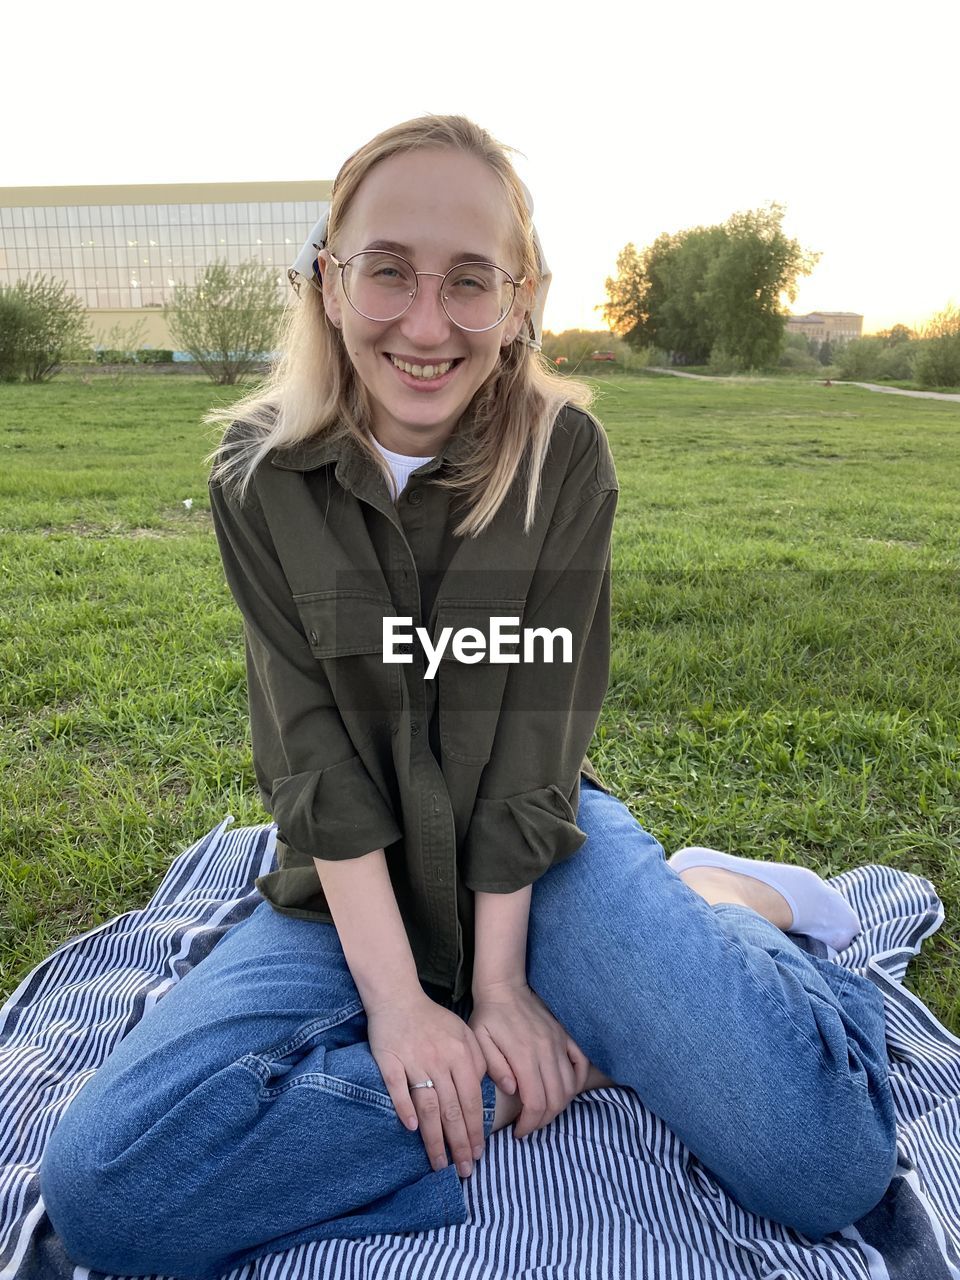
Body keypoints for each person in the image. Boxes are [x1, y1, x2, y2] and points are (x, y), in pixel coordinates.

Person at [38, 116, 897, 1279]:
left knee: (821, 1162)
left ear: (520, 294)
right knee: (115, 1191)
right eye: (388, 269)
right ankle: (587, 1042)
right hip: (343, 894)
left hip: (543, 861)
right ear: (327, 280)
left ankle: (729, 905)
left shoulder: (565, 455)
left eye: (468, 281)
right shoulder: (253, 473)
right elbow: (312, 756)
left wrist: (497, 981)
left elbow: (538, 736)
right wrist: (400, 1006)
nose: (425, 323)